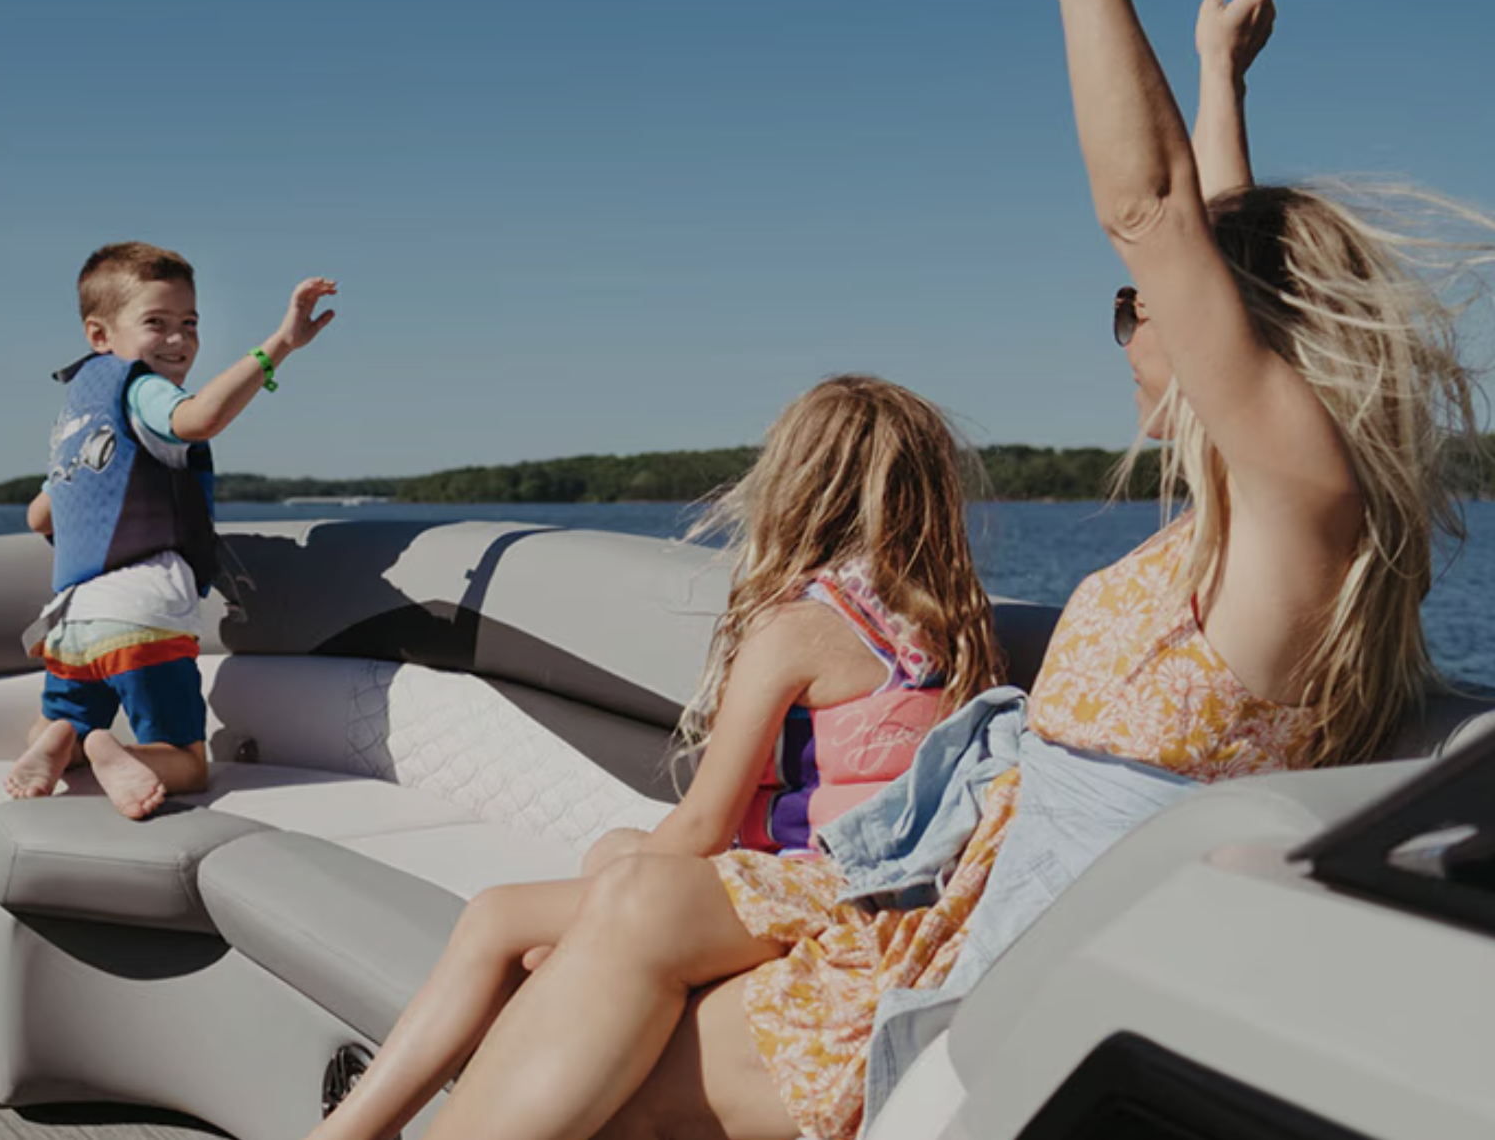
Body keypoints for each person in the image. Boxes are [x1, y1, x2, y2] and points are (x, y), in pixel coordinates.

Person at [377, 0, 1495, 1139]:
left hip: (1027, 964)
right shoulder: (1252, 524)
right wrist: (1218, 77)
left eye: (1138, 307)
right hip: (962, 883)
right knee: (630, 907)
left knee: (614, 1076)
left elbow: (1156, 212)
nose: (1134, 327)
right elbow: (1215, 238)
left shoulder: (1298, 525)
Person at [306, 374, 1005, 1140]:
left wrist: (588, 928)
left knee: (498, 916)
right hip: (890, 894)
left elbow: (705, 823)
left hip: (819, 890)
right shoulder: (953, 628)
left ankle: (352, 1131)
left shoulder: (801, 627)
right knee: (614, 849)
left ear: (797, 487)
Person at [6, 241, 338, 819]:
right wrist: (280, 345)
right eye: (156, 323)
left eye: (189, 323)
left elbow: (40, 516)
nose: (178, 339)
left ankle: (59, 740)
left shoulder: (78, 416)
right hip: (142, 612)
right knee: (187, 762)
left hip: (72, 622)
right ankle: (115, 753)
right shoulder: (144, 390)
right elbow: (200, 418)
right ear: (99, 335)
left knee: (63, 719)